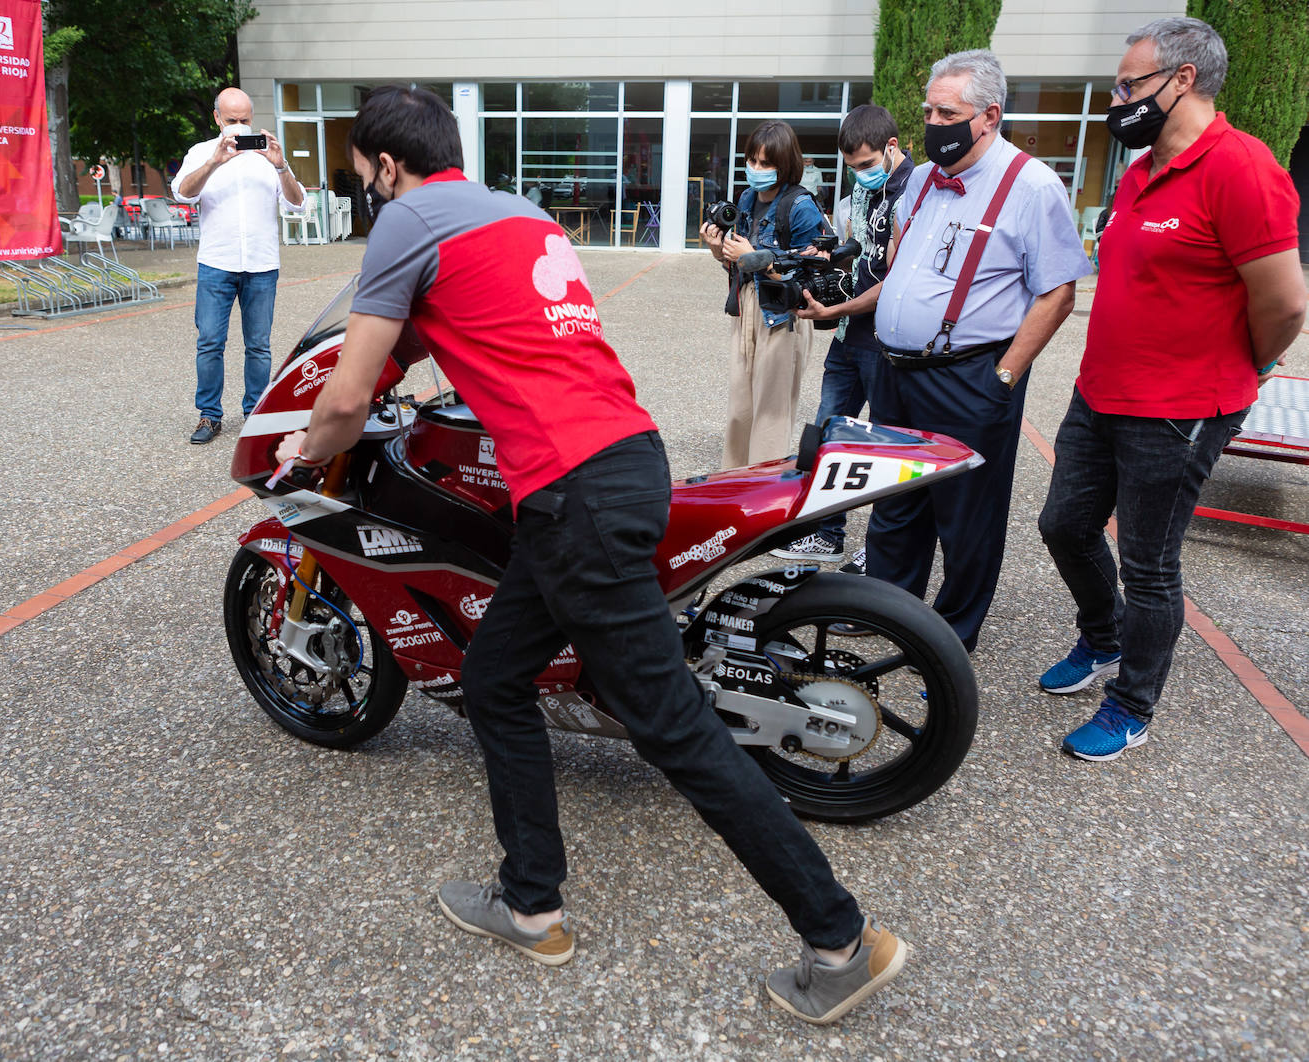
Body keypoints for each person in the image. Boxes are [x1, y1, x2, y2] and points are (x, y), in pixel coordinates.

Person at [274, 85, 906, 1025]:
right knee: (494, 678)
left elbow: (349, 390)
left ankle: (838, 938)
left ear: (386, 166)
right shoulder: (512, 214)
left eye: (364, 172)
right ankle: (531, 903)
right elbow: (458, 333)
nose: (367, 188)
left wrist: (306, 452)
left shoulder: (406, 218)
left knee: (675, 726)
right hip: (618, 461)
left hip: (572, 494)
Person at [1037, 17, 1305, 762]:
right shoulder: (1141, 169)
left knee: (1150, 563)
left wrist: (1242, 367)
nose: (1119, 98)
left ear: (1181, 79)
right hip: (1101, 393)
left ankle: (1132, 704)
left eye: (1130, 84)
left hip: (1180, 408)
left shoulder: (1242, 168)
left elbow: (1283, 303)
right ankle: (1103, 639)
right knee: (1063, 524)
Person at [867, 50, 1091, 653]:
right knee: (892, 501)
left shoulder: (1032, 186)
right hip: (894, 371)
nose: (933, 123)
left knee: (966, 516)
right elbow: (899, 259)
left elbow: (1058, 294)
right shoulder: (917, 180)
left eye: (948, 112)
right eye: (928, 111)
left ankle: (948, 635)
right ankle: (886, 611)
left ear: (990, 115)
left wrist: (1003, 378)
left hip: (968, 379)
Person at [774, 105, 913, 566]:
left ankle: (881, 553)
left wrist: (833, 309)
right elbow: (858, 255)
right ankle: (827, 533)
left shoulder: (914, 194)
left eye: (867, 165)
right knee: (828, 436)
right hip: (849, 339)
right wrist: (823, 258)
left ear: (892, 147)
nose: (860, 175)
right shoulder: (861, 193)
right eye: (852, 168)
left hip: (888, 344)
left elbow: (893, 284)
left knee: (885, 450)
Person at [172, 87, 305, 444]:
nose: (240, 127)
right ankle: (209, 416)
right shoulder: (201, 153)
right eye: (232, 121)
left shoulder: (268, 155)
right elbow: (182, 193)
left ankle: (256, 414)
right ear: (217, 118)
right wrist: (214, 161)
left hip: (261, 264)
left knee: (259, 345)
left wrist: (281, 165)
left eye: (246, 120)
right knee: (210, 342)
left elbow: (297, 204)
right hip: (217, 263)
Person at [701, 121, 827, 469]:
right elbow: (736, 266)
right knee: (740, 410)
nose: (755, 169)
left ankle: (763, 498)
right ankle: (734, 487)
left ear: (784, 164)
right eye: (752, 161)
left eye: (765, 163)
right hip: (746, 309)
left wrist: (756, 261)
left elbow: (809, 277)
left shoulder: (800, 206)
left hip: (781, 316)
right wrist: (718, 250)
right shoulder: (745, 198)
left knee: (771, 415)